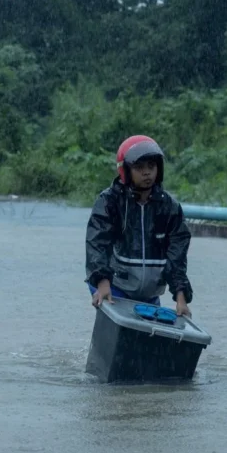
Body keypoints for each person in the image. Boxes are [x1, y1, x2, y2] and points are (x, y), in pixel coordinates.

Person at [85, 135, 194, 317]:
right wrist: (103, 284)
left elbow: (177, 258)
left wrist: (181, 299)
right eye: (139, 167)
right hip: (114, 286)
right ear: (125, 170)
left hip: (149, 295)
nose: (146, 173)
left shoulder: (170, 208)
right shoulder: (109, 202)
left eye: (151, 166)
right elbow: (97, 244)